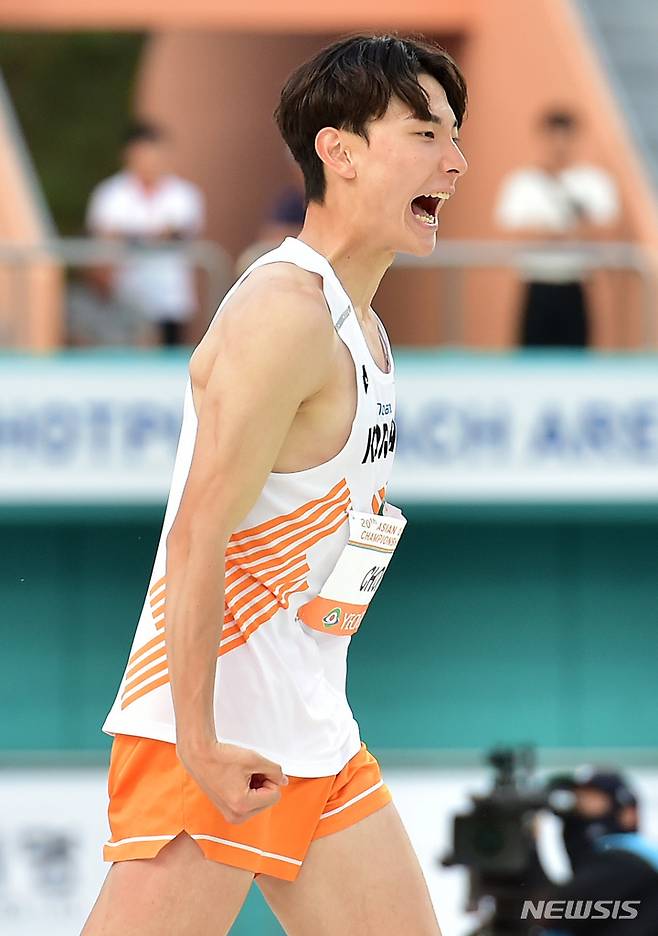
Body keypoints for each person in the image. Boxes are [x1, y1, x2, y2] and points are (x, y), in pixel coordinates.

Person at [82, 34, 467, 936]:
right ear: (339, 150)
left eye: (456, 136)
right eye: (425, 134)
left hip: (313, 724)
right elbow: (196, 536)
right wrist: (198, 741)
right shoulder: (283, 313)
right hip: (216, 736)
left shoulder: (364, 326)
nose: (455, 162)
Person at [495, 109, 620, 348]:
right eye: (553, 138)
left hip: (576, 283)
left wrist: (560, 234)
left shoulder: (592, 181)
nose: (559, 146)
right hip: (537, 283)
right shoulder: (524, 182)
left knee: (576, 357)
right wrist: (558, 234)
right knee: (532, 357)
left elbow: (606, 227)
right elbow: (511, 229)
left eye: (565, 138)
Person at [86, 120, 205, 347]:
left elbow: (178, 233)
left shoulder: (184, 194)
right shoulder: (110, 194)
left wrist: (128, 236)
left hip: (170, 299)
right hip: (124, 298)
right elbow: (103, 241)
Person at [540, 769, 658, 936]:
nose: (582, 807)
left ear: (628, 813)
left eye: (593, 800)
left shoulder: (632, 856)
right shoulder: (603, 858)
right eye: (579, 799)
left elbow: (559, 910)